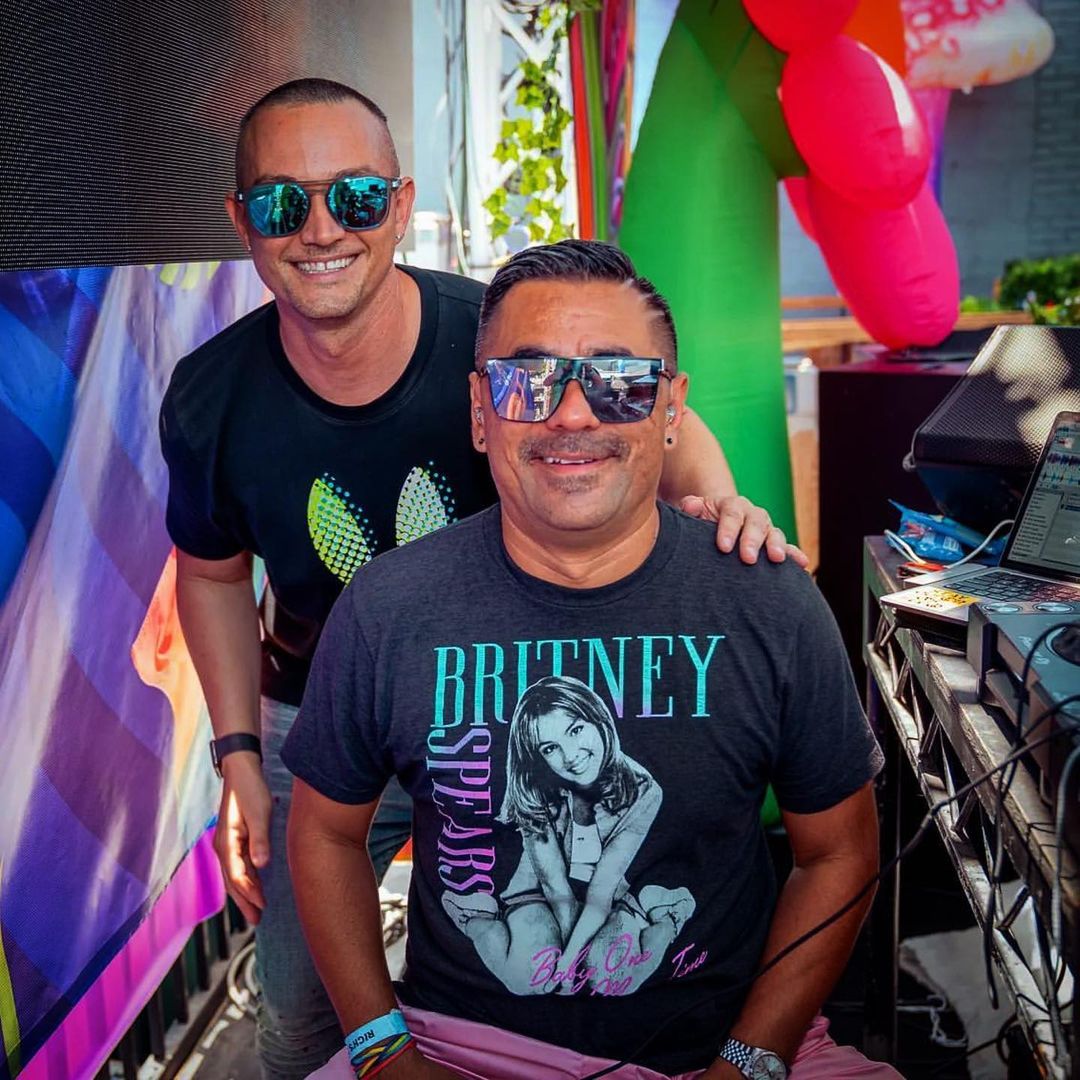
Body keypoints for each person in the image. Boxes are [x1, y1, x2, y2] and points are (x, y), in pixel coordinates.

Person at [158, 80, 802, 1079]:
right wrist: (238, 752)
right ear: (243, 220)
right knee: (297, 1011)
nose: (321, 228)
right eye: (284, 202)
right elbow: (210, 577)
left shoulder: (500, 340)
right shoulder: (211, 397)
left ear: (401, 206)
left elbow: (654, 426)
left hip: (508, 708)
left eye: (356, 196)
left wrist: (724, 514)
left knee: (551, 983)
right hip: (320, 716)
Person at [284, 239, 899, 1080]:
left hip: (728, 1045)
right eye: (528, 381)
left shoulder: (768, 601)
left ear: (671, 409)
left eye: (619, 382)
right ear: (480, 410)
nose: (573, 415)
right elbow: (325, 833)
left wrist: (750, 1057)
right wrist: (383, 1050)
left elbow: (840, 853)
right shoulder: (389, 608)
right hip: (455, 1050)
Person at [443, 675, 694, 998]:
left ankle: (668, 915)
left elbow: (601, 891)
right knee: (527, 980)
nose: (571, 755)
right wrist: (565, 964)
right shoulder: (535, 787)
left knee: (612, 980)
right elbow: (554, 885)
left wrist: (570, 962)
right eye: (550, 748)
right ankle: (476, 917)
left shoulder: (643, 790)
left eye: (575, 730)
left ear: (598, 719)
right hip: (537, 894)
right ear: (538, 757)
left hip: (611, 897)